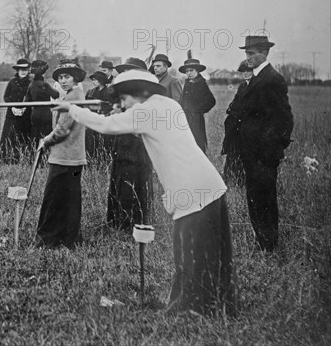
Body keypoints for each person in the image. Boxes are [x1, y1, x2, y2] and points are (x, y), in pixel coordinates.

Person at [53, 69, 237, 316]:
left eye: (124, 99)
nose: (122, 105)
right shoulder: (167, 105)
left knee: (190, 254)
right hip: (209, 184)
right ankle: (217, 306)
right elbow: (143, 127)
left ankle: (192, 310)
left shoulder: (145, 111)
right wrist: (123, 113)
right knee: (213, 252)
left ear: (137, 93)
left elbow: (106, 126)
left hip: (191, 189)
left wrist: (72, 108)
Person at [222, 36, 293, 252]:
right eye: (247, 54)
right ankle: (261, 241)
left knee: (264, 200)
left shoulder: (272, 79)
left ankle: (268, 245)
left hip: (264, 154)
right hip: (250, 152)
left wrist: (272, 149)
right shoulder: (255, 79)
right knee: (254, 198)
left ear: (265, 53)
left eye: (252, 54)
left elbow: (284, 118)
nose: (248, 58)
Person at [36, 60, 87, 249]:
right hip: (71, 157)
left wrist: (45, 141)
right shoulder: (72, 95)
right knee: (68, 199)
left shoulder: (74, 97)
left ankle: (48, 239)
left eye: (67, 77)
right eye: (60, 77)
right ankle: (69, 238)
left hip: (66, 156)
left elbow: (62, 130)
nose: (63, 80)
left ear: (75, 79)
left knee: (54, 199)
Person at [108, 57, 153, 230]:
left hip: (137, 150)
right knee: (119, 183)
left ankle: (132, 223)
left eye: (129, 71)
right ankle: (117, 220)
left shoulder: (146, 96)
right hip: (122, 146)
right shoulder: (126, 95)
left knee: (133, 186)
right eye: (124, 71)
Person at [221, 60, 251, 187]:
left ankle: (242, 182)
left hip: (248, 129)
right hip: (236, 129)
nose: (245, 73)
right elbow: (235, 104)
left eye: (248, 71)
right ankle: (230, 181)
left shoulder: (258, 87)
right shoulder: (243, 86)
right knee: (233, 156)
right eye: (243, 71)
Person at [0, 58, 32, 164]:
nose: (23, 71)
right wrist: (12, 107)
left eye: (25, 69)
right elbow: (6, 96)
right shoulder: (12, 82)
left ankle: (23, 158)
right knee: (9, 136)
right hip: (11, 114)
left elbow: (32, 98)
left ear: (28, 70)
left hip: (25, 115)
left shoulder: (31, 83)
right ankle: (7, 159)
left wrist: (24, 109)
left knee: (23, 136)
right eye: (21, 69)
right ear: (17, 70)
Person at [178, 57, 216, 153]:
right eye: (187, 71)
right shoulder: (187, 83)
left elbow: (211, 100)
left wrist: (197, 111)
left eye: (191, 70)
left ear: (197, 71)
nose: (189, 73)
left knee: (197, 143)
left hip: (196, 120)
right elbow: (183, 99)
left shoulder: (201, 83)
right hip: (185, 118)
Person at [24, 60, 60, 145]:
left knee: (35, 136)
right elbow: (56, 95)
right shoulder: (45, 85)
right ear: (43, 73)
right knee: (46, 136)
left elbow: (26, 101)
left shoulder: (31, 85)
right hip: (45, 113)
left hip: (35, 113)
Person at [85, 70, 114, 159]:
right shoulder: (90, 92)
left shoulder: (109, 92)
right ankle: (92, 159)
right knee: (91, 141)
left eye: (95, 80)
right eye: (92, 80)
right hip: (92, 121)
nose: (93, 82)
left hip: (105, 121)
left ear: (101, 81)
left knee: (105, 142)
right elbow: (86, 106)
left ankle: (104, 159)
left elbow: (111, 107)